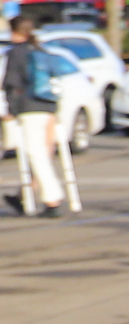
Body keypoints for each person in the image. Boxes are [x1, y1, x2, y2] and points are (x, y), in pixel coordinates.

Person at [3, 18, 68, 217]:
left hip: (29, 107)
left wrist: (12, 111)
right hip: (48, 106)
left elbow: (11, 83)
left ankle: (52, 198)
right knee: (42, 152)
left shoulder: (16, 53)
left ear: (14, 32)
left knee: (35, 152)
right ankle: (24, 195)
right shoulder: (41, 50)